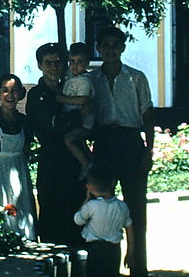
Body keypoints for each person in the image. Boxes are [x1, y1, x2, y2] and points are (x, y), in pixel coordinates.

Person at [89, 27, 154, 277]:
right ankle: (106, 267)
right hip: (104, 143)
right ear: (100, 48)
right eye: (105, 45)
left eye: (115, 45)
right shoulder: (92, 79)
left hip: (130, 143)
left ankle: (139, 266)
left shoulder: (136, 78)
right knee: (103, 207)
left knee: (136, 207)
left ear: (123, 48)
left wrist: (149, 151)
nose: (110, 50)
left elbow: (147, 114)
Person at [26, 42, 84, 246]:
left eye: (58, 62)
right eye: (48, 63)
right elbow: (54, 126)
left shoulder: (72, 87)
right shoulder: (35, 95)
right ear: (40, 65)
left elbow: (87, 118)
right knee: (51, 213)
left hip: (75, 163)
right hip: (51, 161)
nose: (54, 67)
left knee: (77, 212)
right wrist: (73, 120)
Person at [0, 73, 36, 240]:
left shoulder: (24, 121)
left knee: (21, 208)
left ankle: (24, 242)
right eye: (5, 91)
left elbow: (27, 149)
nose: (10, 96)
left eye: (15, 91)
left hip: (18, 170)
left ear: (20, 94)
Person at [73, 164, 131, 277]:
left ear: (90, 187)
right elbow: (129, 227)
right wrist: (130, 251)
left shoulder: (91, 206)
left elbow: (78, 220)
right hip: (114, 249)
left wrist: (85, 200)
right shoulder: (122, 206)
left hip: (96, 249)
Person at [57, 42, 95, 173]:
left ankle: (86, 164)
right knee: (81, 143)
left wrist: (62, 99)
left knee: (69, 140)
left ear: (87, 63)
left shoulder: (85, 80)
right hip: (72, 120)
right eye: (72, 61)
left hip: (83, 123)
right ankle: (91, 160)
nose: (75, 66)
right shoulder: (71, 75)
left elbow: (83, 100)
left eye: (80, 62)